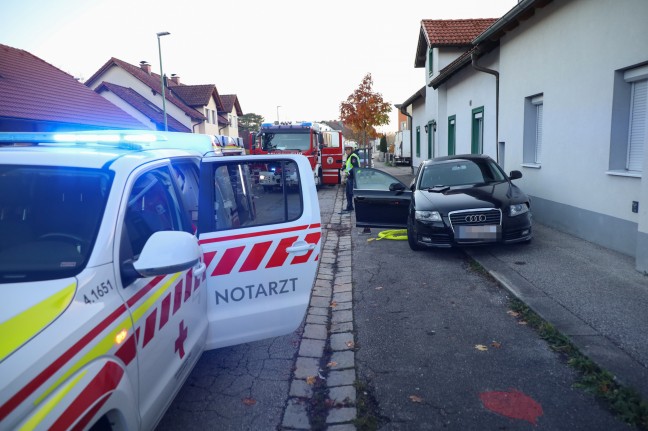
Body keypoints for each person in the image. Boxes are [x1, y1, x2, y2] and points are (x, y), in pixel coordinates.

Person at [341, 144, 360, 212]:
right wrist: (344, 167)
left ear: (350, 149)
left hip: (353, 177)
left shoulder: (353, 157)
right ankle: (349, 206)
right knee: (348, 193)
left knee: (351, 193)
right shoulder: (349, 156)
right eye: (345, 150)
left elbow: (356, 168)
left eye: (347, 150)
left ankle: (353, 207)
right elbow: (348, 165)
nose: (346, 151)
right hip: (350, 177)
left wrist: (349, 172)